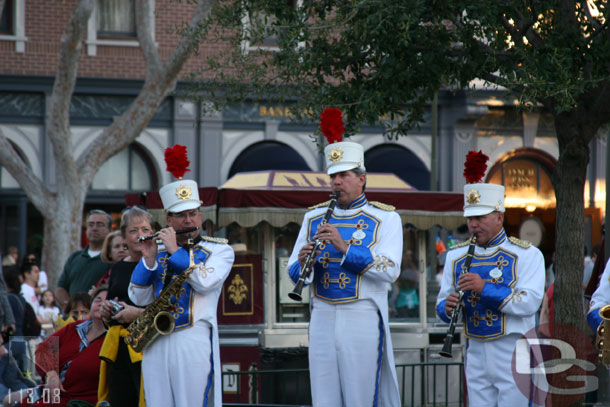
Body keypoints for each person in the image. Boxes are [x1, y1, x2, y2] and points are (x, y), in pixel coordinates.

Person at [286, 111, 402, 407]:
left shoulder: (385, 218)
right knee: (324, 395)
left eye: (344, 176)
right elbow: (292, 268)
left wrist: (344, 247)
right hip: (322, 312)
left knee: (360, 394)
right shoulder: (313, 216)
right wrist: (303, 264)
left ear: (361, 179)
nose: (337, 183)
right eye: (333, 176)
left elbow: (390, 269)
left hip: (360, 312)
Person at [436, 151, 545, 406]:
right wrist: (447, 307)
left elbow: (529, 302)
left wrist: (484, 288)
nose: (473, 224)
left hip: (512, 347)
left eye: (480, 217)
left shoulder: (527, 255)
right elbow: (441, 304)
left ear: (499, 216)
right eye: (470, 218)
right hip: (475, 347)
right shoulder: (456, 256)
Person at [129, 145, 234, 407]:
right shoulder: (160, 248)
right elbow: (138, 297)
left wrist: (175, 251)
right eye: (181, 216)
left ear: (200, 214)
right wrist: (149, 258)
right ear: (168, 219)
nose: (188, 221)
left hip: (192, 336)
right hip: (155, 338)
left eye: (192, 214)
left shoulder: (220, 250)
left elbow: (205, 282)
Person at [3, 287, 107, 407]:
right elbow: (43, 349)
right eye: (98, 300)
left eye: (84, 312)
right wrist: (51, 374)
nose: (101, 304)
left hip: (74, 401)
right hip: (47, 392)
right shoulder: (74, 328)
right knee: (8, 400)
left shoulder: (113, 339)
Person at [98, 206, 153, 407]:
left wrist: (136, 314)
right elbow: (113, 303)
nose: (140, 235)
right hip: (119, 346)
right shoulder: (118, 267)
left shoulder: (161, 263)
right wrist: (106, 311)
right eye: (133, 231)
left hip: (148, 345)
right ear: (124, 236)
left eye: (145, 230)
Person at [55, 210, 112, 310]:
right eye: (90, 224)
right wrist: (71, 307)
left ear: (110, 230)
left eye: (100, 224)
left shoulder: (112, 259)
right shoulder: (75, 257)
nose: (94, 228)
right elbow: (61, 287)